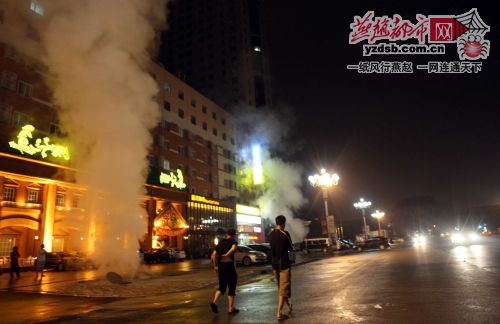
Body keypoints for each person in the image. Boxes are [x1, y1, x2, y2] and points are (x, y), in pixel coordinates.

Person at [270, 215, 293, 320]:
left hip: (275, 265)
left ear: (276, 223)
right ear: (283, 223)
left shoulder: (271, 234)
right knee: (283, 290)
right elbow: (290, 248)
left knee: (281, 288)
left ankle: (289, 305)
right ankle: (279, 313)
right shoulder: (285, 234)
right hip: (283, 265)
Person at [210, 229, 239, 314]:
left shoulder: (221, 242)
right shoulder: (233, 241)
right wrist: (227, 254)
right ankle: (231, 308)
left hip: (221, 267)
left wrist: (215, 266)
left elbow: (214, 255)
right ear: (234, 235)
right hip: (229, 266)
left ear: (227, 234)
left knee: (222, 286)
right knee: (232, 285)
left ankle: (214, 302)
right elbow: (233, 248)